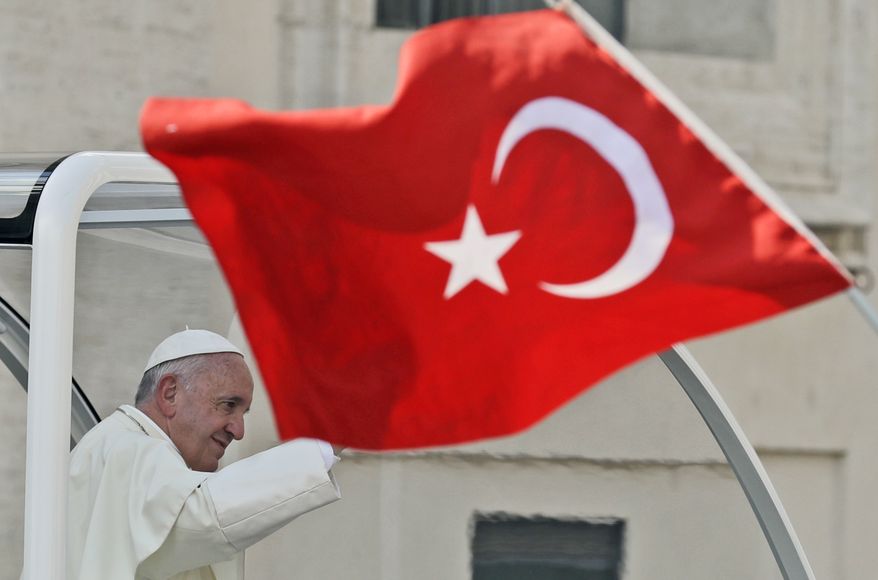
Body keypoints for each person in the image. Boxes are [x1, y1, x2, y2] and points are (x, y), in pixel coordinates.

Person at [67, 329, 342, 580]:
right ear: (170, 393)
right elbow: (201, 519)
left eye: (242, 413)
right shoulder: (123, 448)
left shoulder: (122, 449)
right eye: (228, 405)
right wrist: (328, 444)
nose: (239, 430)